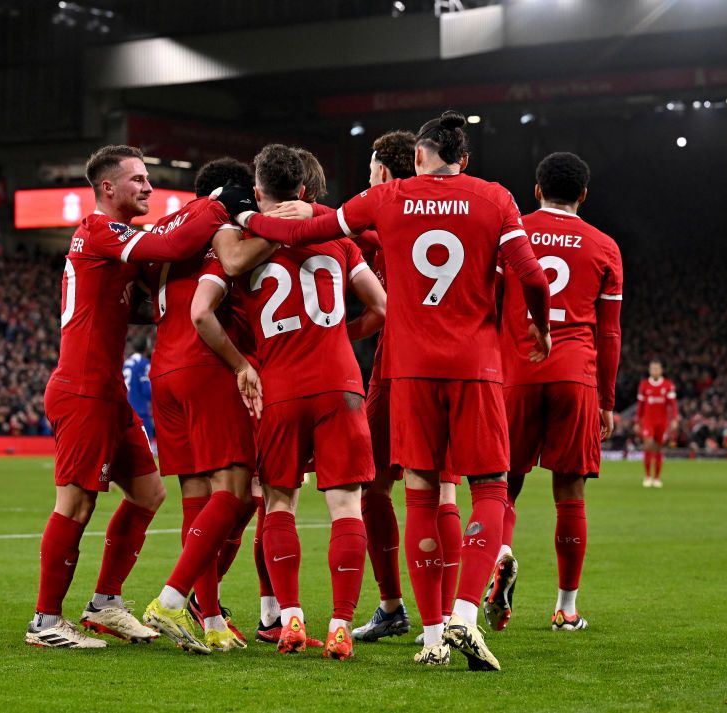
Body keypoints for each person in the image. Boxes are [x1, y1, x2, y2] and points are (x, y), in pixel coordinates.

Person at [215, 111, 551, 671]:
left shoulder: (388, 199)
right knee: (485, 489)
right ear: (462, 159)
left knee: (414, 491)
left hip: (408, 368)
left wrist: (250, 211)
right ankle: (466, 614)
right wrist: (541, 327)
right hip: (475, 366)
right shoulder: (495, 198)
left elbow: (298, 232)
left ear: (416, 156)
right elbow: (534, 278)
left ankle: (432, 633)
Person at [26, 144, 237, 649]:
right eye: (139, 180)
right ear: (107, 188)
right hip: (82, 389)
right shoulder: (99, 231)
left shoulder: (121, 243)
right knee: (75, 505)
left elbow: (164, 266)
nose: (147, 187)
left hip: (108, 392)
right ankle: (46, 621)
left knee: (149, 494)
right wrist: (216, 204)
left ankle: (105, 603)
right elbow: (168, 246)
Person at [213, 144, 388, 660]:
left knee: (280, 500)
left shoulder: (244, 243)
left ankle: (289, 619)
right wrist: (339, 334)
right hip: (340, 382)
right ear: (307, 193)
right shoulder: (337, 239)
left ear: (260, 191)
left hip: (279, 386)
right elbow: (381, 307)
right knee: (346, 506)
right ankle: (339, 625)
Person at [491, 152, 623, 633]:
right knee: (569, 492)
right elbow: (609, 335)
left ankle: (500, 553)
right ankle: (566, 608)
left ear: (536, 189)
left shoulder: (512, 233)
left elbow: (490, 304)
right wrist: (607, 400)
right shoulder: (605, 246)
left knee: (503, 484)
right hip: (575, 376)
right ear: (584, 195)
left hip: (516, 375)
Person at [140, 158, 266, 653]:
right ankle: (170, 601)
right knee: (234, 491)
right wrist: (240, 363)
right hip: (205, 365)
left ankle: (211, 620)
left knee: (197, 500)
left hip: (163, 370)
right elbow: (212, 300)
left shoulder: (171, 227)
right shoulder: (218, 228)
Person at [637, 360, 678, 487]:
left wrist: (674, 419)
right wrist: (638, 421)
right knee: (648, 445)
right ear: (649, 370)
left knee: (658, 449)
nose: (654, 371)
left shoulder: (667, 385)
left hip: (662, 422)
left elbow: (673, 404)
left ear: (661, 370)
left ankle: (657, 478)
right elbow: (640, 406)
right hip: (648, 421)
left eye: (656, 369)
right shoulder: (644, 385)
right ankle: (648, 476)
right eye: (652, 368)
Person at [122, 340, 154, 453]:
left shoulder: (126, 363)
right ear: (146, 348)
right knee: (146, 452)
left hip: (124, 410)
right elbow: (147, 390)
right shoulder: (144, 363)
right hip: (140, 411)